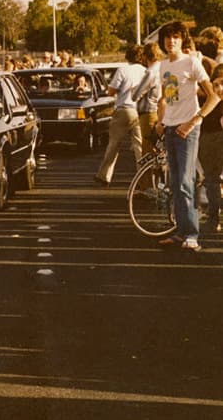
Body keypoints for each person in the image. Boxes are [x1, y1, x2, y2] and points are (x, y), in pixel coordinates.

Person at [155, 21, 219, 252]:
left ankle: (192, 234)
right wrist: (160, 120)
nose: (171, 41)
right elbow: (165, 97)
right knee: (175, 183)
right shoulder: (163, 66)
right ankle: (180, 231)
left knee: (185, 181)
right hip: (170, 128)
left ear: (182, 40)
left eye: (176, 37)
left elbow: (213, 97)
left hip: (188, 129)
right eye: (167, 37)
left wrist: (194, 120)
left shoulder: (192, 62)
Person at [94, 44, 145, 186]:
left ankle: (104, 175)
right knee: (139, 146)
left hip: (124, 109)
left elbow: (111, 91)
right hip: (140, 111)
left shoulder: (123, 70)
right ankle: (143, 177)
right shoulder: (146, 71)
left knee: (114, 144)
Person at [199, 64, 223, 233]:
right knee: (211, 179)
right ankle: (214, 217)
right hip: (208, 139)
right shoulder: (207, 100)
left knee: (213, 179)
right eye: (216, 84)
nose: (219, 88)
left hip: (214, 138)